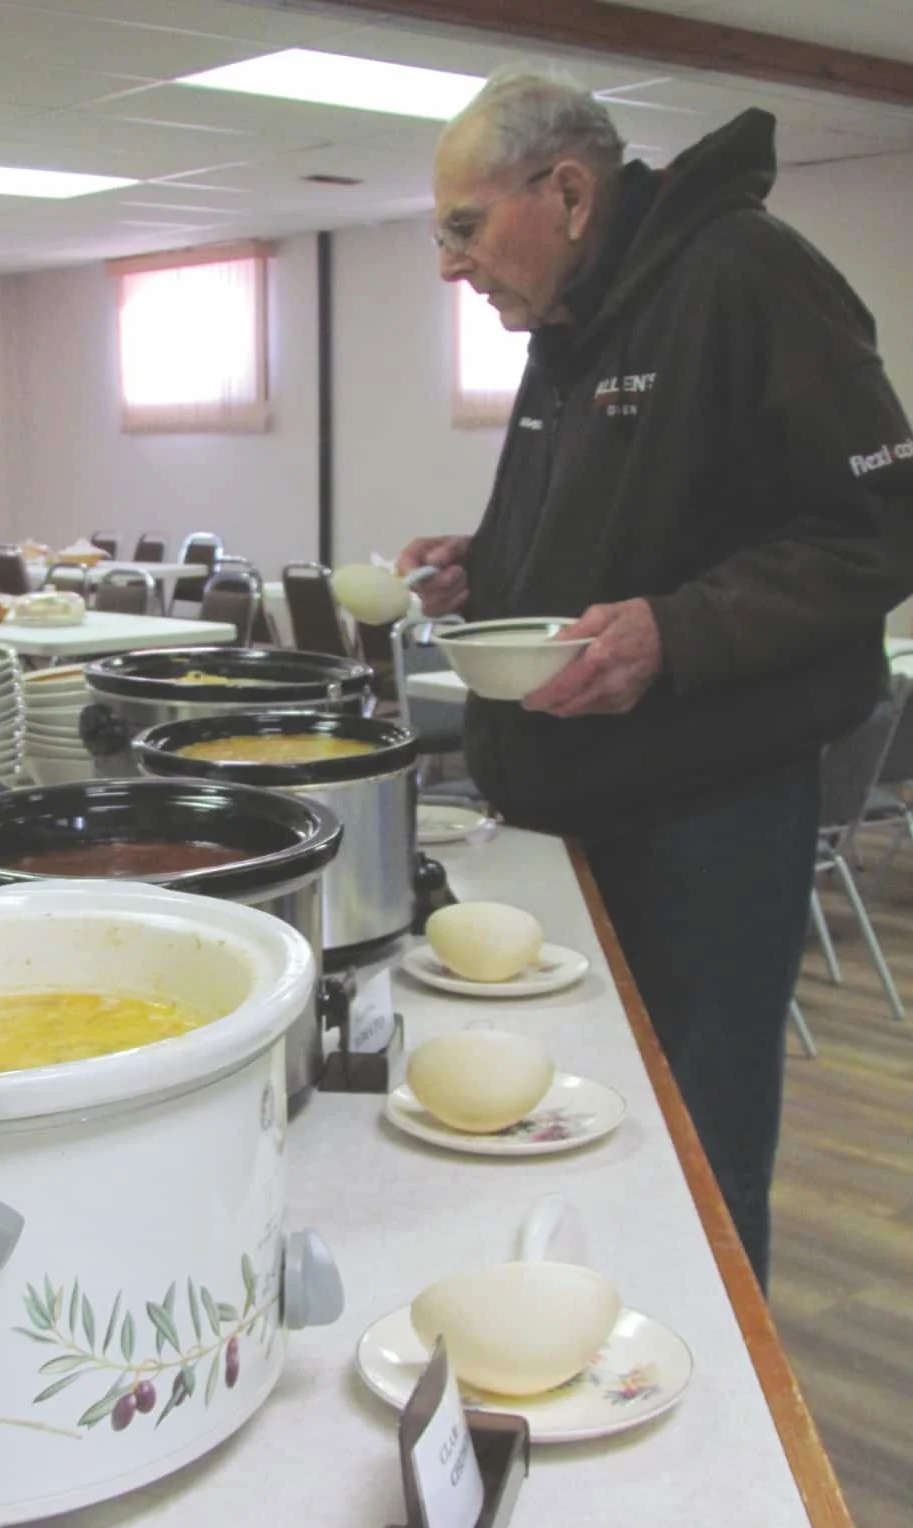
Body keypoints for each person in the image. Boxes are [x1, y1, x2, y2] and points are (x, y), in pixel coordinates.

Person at [397, 72, 913, 1288]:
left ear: (568, 192)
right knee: (578, 1113)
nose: (448, 265)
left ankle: (722, 1429)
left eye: (462, 227)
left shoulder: (744, 276)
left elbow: (877, 529)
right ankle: (591, 1339)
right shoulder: (577, 321)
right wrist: (493, 562)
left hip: (706, 811)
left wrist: (675, 636)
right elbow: (632, 525)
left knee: (694, 1130)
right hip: (570, 798)